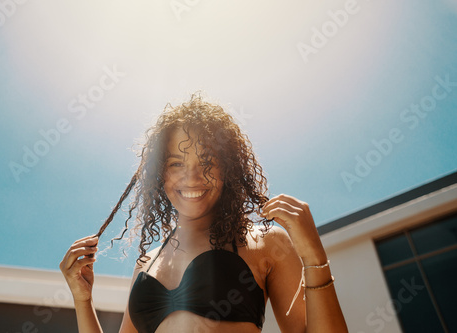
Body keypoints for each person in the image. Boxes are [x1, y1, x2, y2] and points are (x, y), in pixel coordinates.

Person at [59, 94, 349, 332]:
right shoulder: (147, 264)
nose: (192, 177)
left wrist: (314, 258)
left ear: (229, 170)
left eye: (207, 162)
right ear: (160, 174)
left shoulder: (265, 242)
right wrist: (83, 300)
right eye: (176, 164)